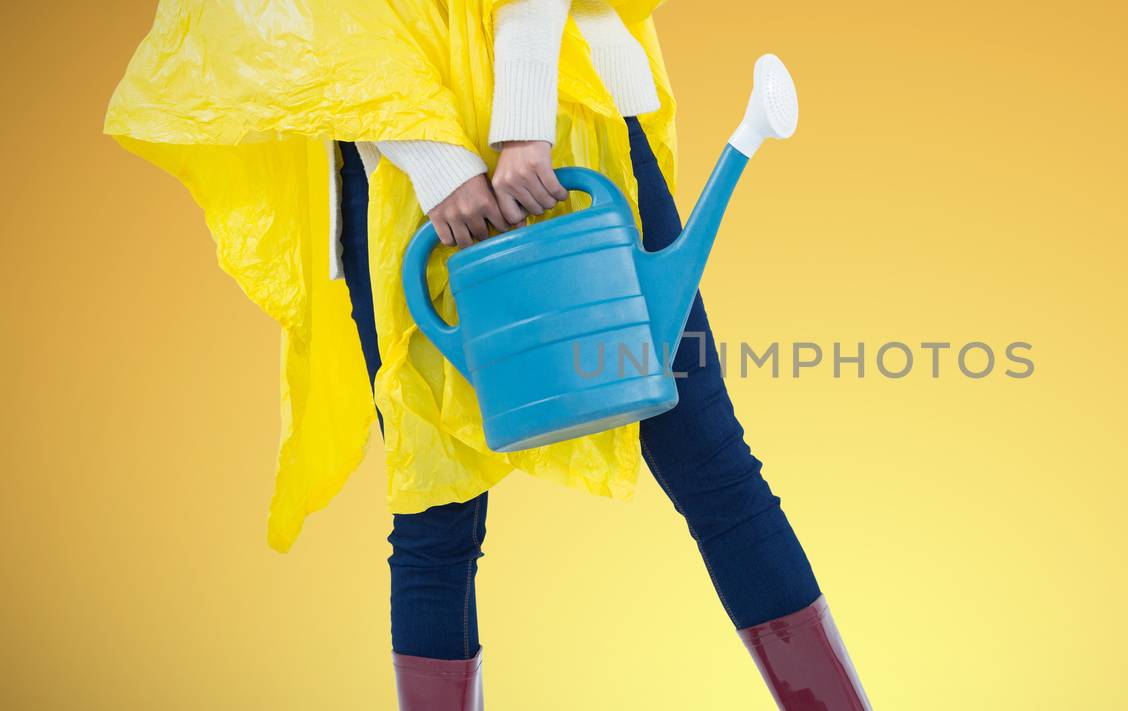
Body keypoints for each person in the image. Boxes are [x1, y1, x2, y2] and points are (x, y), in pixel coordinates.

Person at [106, 1, 870, 709]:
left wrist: (523, 120)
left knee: (704, 463)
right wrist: (437, 161)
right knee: (438, 510)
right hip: (403, 174)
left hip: (568, 125)